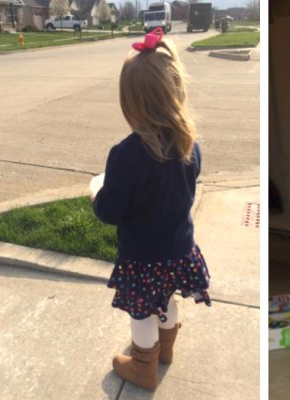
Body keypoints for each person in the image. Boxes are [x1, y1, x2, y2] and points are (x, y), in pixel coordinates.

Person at [91, 27, 211, 391]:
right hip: (178, 250)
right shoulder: (190, 146)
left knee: (141, 312)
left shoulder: (125, 155)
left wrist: (97, 191)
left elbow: (111, 210)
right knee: (167, 301)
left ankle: (144, 366)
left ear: (131, 103)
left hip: (143, 257)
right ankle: (166, 350)